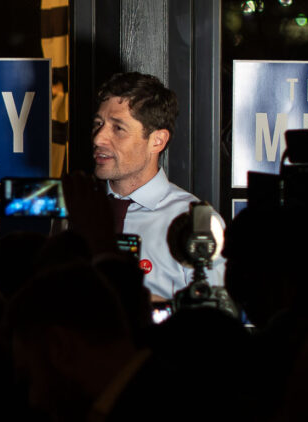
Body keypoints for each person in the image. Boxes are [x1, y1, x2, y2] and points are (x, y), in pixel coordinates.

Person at [91, 72, 224, 301]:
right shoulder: (80, 208)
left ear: (157, 141)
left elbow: (213, 323)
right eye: (98, 124)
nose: (98, 138)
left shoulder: (190, 221)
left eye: (118, 128)